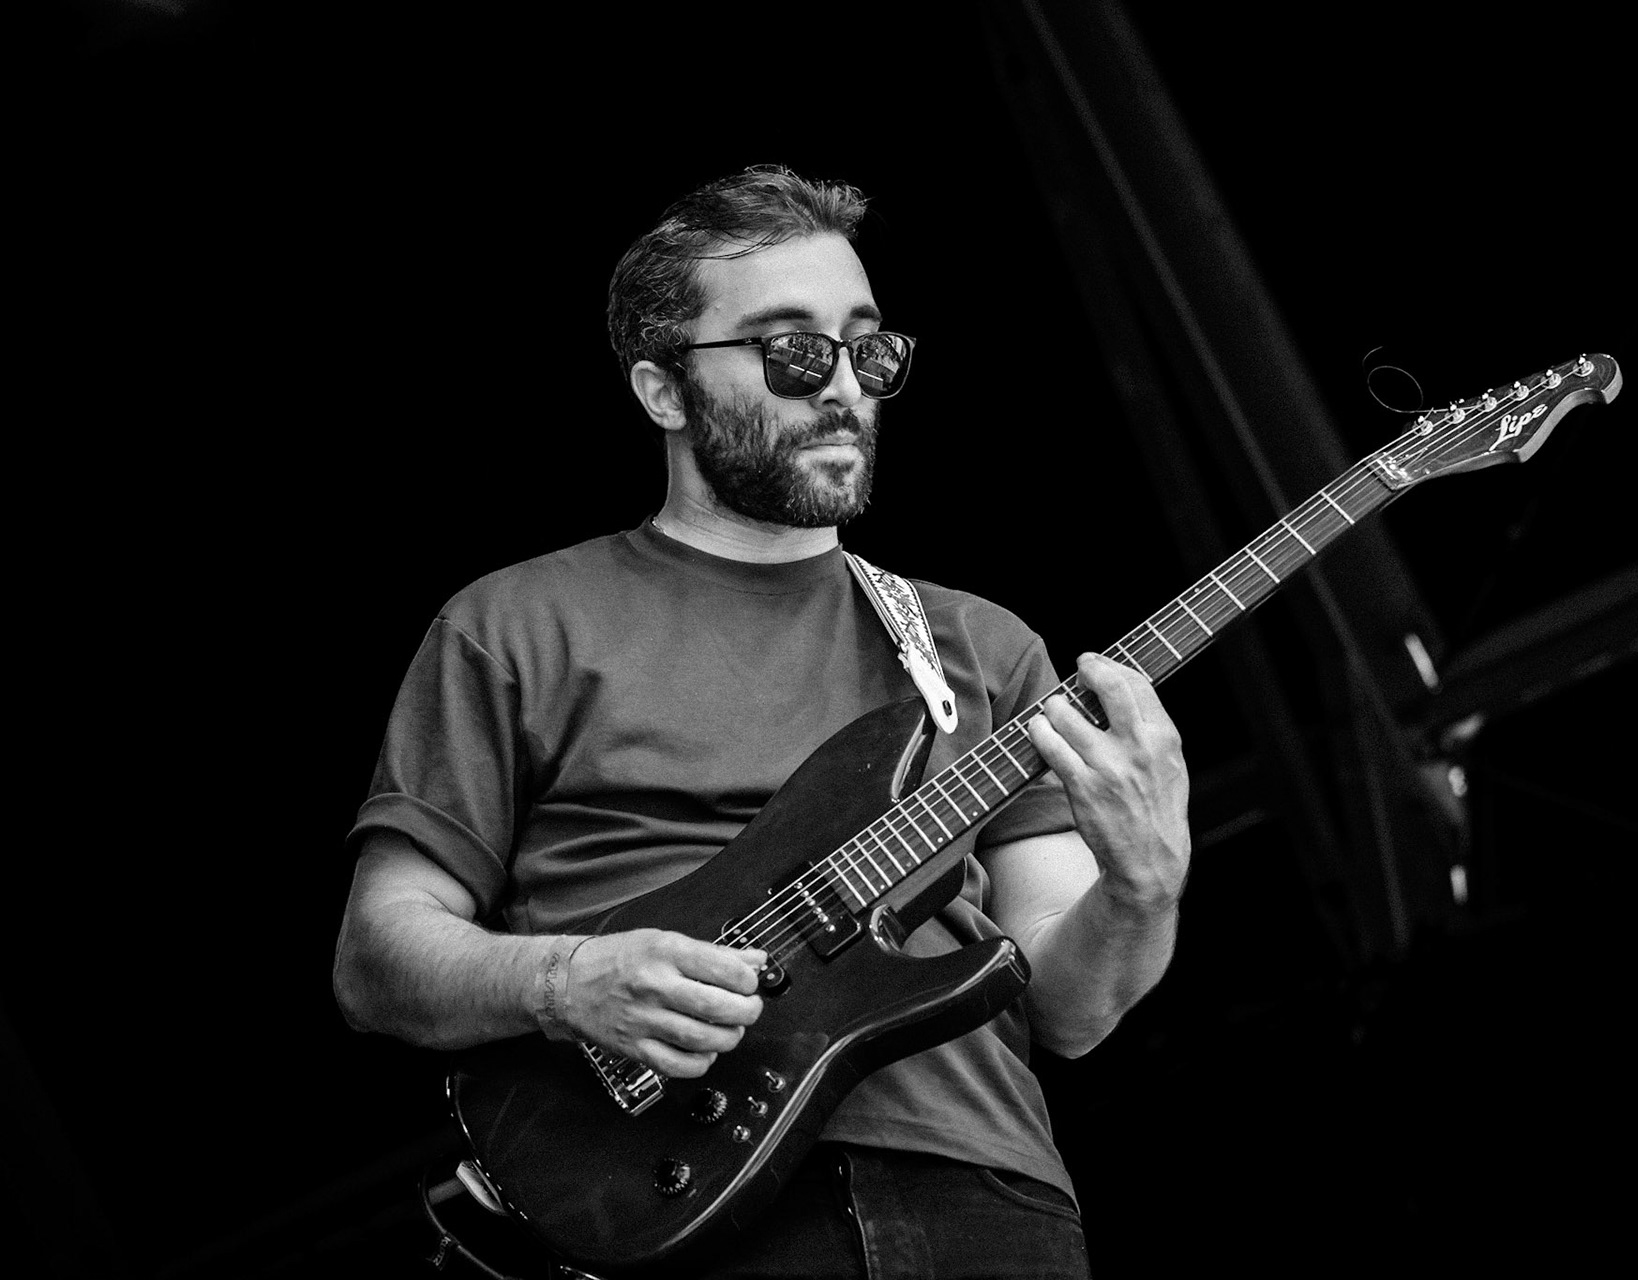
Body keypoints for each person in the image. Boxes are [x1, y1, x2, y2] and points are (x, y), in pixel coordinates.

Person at [332, 165, 1191, 1279]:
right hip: (673, 1192)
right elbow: (377, 954)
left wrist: (1146, 884)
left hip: (986, 1199)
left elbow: (1072, 1011)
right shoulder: (517, 623)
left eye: (868, 348)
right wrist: (564, 979)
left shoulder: (980, 646)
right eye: (791, 350)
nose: (842, 385)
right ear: (664, 390)